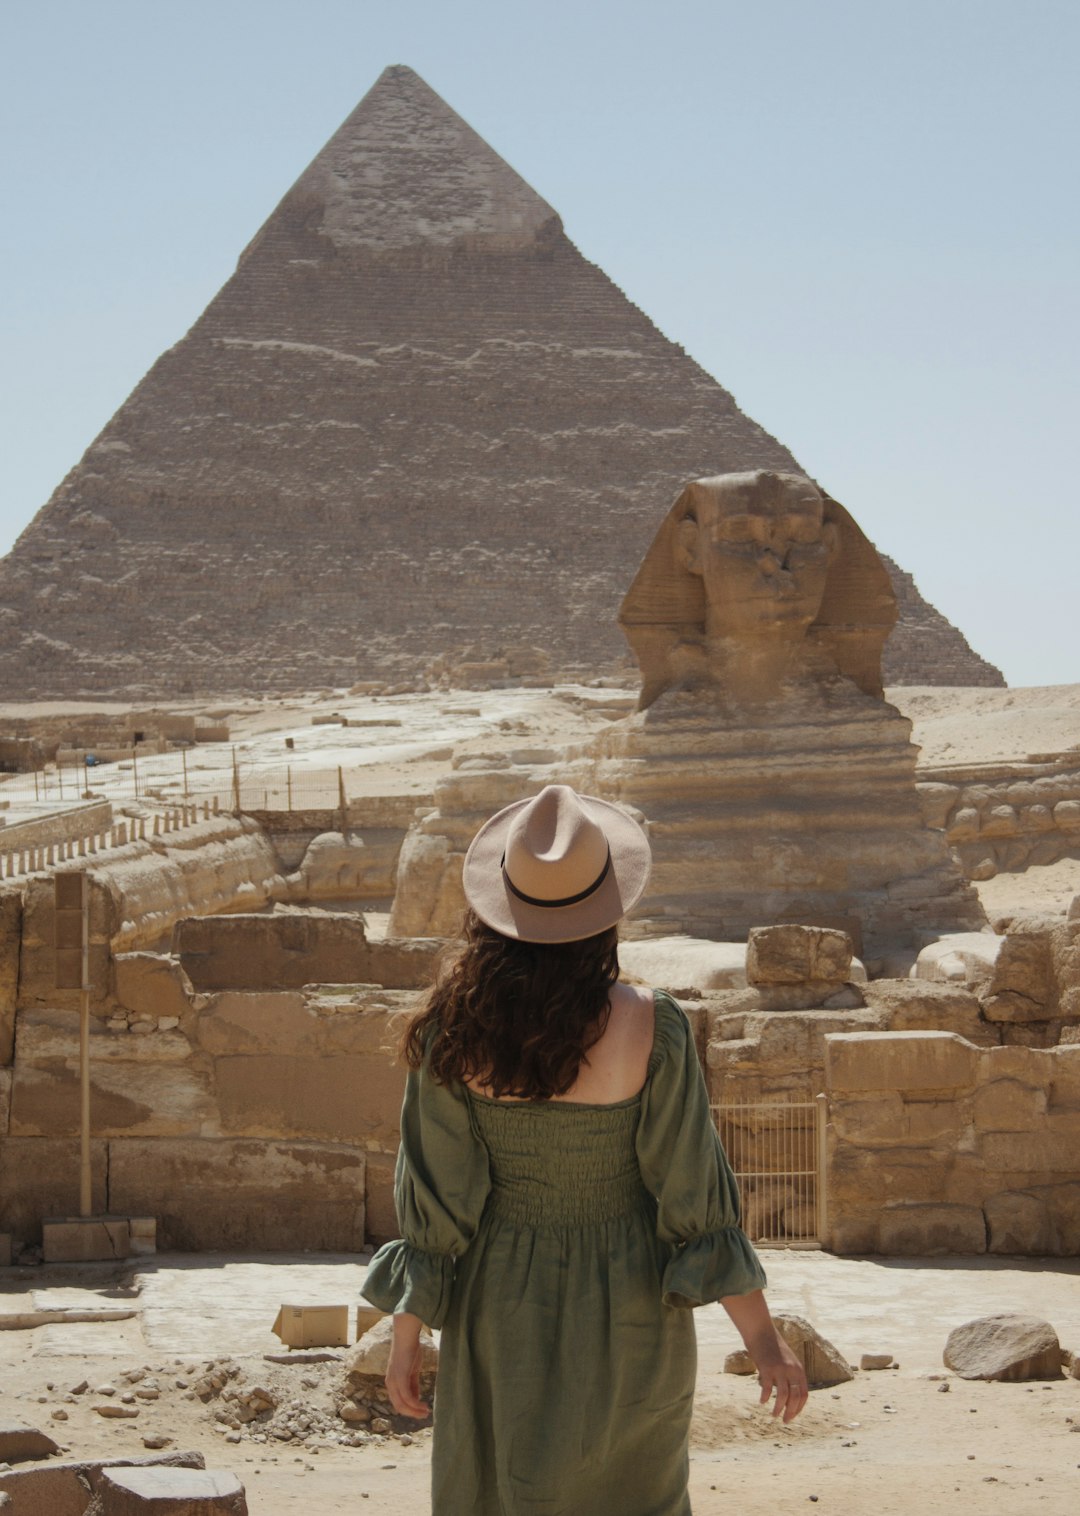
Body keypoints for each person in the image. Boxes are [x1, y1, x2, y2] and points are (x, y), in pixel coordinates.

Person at [362, 784, 808, 1514]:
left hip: (499, 1303)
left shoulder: (451, 1034)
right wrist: (765, 1340)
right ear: (606, 914)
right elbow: (694, 1197)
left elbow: (434, 1205)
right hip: (631, 1304)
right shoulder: (652, 1027)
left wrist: (405, 1339)